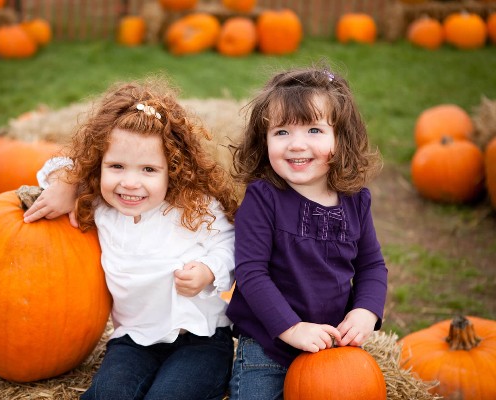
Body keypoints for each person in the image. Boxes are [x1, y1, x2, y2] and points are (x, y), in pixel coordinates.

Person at [23, 79, 239, 400]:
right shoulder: (100, 205)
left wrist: (208, 270)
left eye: (149, 169)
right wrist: (67, 184)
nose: (130, 182)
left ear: (173, 170)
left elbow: (231, 243)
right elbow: (56, 165)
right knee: (109, 393)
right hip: (133, 339)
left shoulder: (193, 207)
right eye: (117, 166)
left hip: (200, 337)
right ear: (98, 165)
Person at [225, 65, 388, 400]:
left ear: (340, 139)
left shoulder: (355, 200)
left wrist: (365, 311)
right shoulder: (263, 198)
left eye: (314, 130)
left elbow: (372, 266)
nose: (297, 145)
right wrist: (291, 328)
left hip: (333, 344)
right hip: (268, 346)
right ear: (264, 140)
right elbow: (251, 272)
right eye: (282, 132)